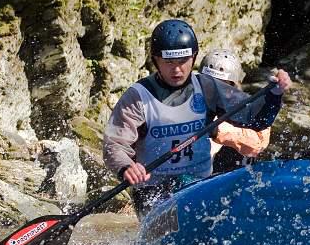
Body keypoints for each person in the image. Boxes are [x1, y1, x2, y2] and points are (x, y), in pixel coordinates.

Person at [103, 19, 292, 218]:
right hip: (153, 188)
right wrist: (126, 166)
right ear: (155, 60)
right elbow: (114, 144)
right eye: (169, 62)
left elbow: (256, 119)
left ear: (193, 58)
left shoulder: (208, 87)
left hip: (197, 184)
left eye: (183, 61)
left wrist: (274, 95)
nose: (177, 70)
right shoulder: (137, 96)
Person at [199, 48, 272, 173]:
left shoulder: (246, 107)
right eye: (208, 82)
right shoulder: (192, 102)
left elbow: (259, 144)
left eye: (222, 84)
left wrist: (217, 130)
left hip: (229, 169)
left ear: (234, 85)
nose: (215, 89)